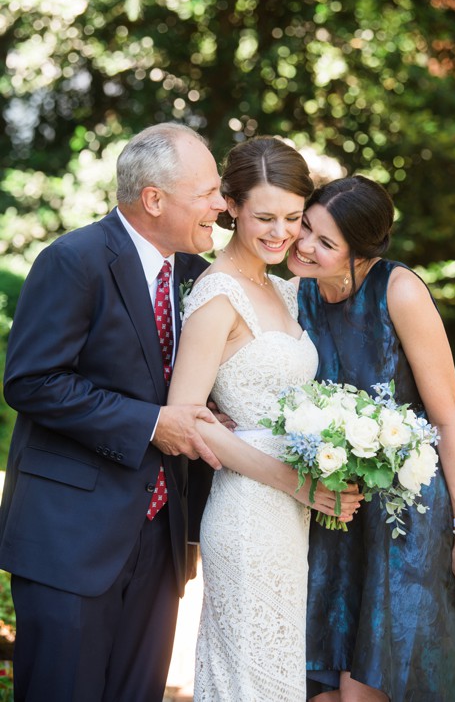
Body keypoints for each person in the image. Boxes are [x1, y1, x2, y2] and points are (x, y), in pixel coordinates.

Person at [0, 122, 225, 701]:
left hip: (160, 536)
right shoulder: (74, 260)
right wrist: (151, 423)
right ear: (154, 199)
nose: (221, 205)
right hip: (70, 537)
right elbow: (32, 381)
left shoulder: (199, 278)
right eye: (207, 193)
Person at [166, 136, 359, 701]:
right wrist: (297, 483)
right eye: (265, 217)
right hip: (248, 515)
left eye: (294, 218)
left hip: (292, 518)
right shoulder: (218, 294)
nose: (281, 233)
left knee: (276, 678)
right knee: (249, 680)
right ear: (231, 206)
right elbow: (188, 419)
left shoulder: (281, 287)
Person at [287, 175, 455, 702]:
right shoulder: (294, 293)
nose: (305, 245)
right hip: (331, 514)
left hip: (406, 522)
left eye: (326, 243)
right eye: (306, 226)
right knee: (323, 686)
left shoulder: (397, 292)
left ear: (362, 253)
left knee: (374, 687)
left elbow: (447, 422)